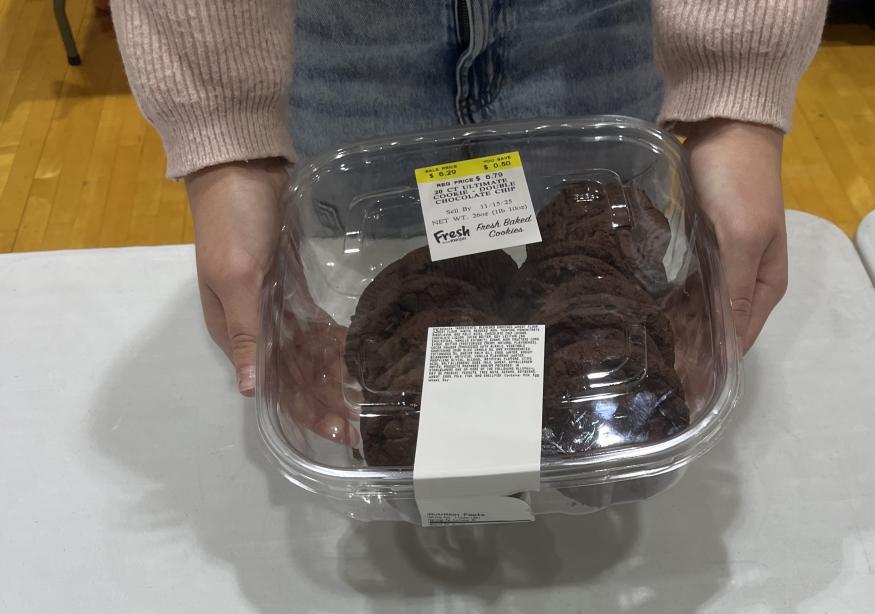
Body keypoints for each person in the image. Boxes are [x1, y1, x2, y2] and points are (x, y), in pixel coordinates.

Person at [112, 1, 826, 408]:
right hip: (333, 39)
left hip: (595, 32)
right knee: (386, 330)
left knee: (604, 293)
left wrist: (737, 82)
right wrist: (225, 136)